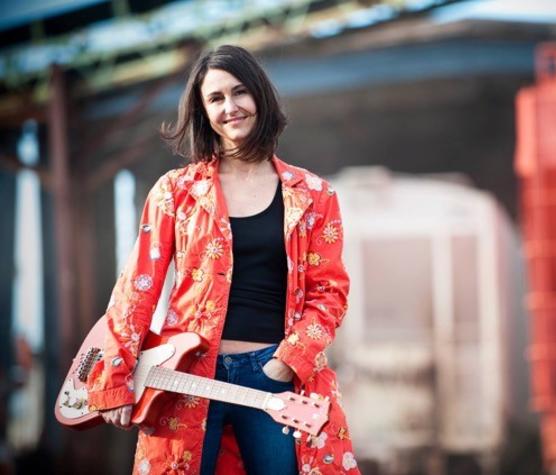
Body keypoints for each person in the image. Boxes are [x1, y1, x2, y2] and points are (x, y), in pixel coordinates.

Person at [86, 44, 360, 475]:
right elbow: (137, 288)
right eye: (215, 99)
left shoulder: (313, 195)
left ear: (260, 97)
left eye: (239, 92)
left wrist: (288, 361)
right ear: (202, 111)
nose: (230, 107)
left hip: (273, 378)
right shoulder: (175, 192)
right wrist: (114, 375)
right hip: (185, 379)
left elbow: (330, 292)